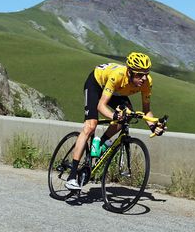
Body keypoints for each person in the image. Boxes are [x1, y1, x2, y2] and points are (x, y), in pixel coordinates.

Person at [65, 52, 166, 190]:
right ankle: (71, 177)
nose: (143, 78)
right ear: (129, 72)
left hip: (117, 92)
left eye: (146, 74)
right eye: (139, 74)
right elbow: (101, 105)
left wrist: (154, 127)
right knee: (90, 125)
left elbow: (146, 111)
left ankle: (100, 144)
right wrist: (113, 116)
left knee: (127, 116)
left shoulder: (147, 82)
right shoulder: (118, 75)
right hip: (97, 83)